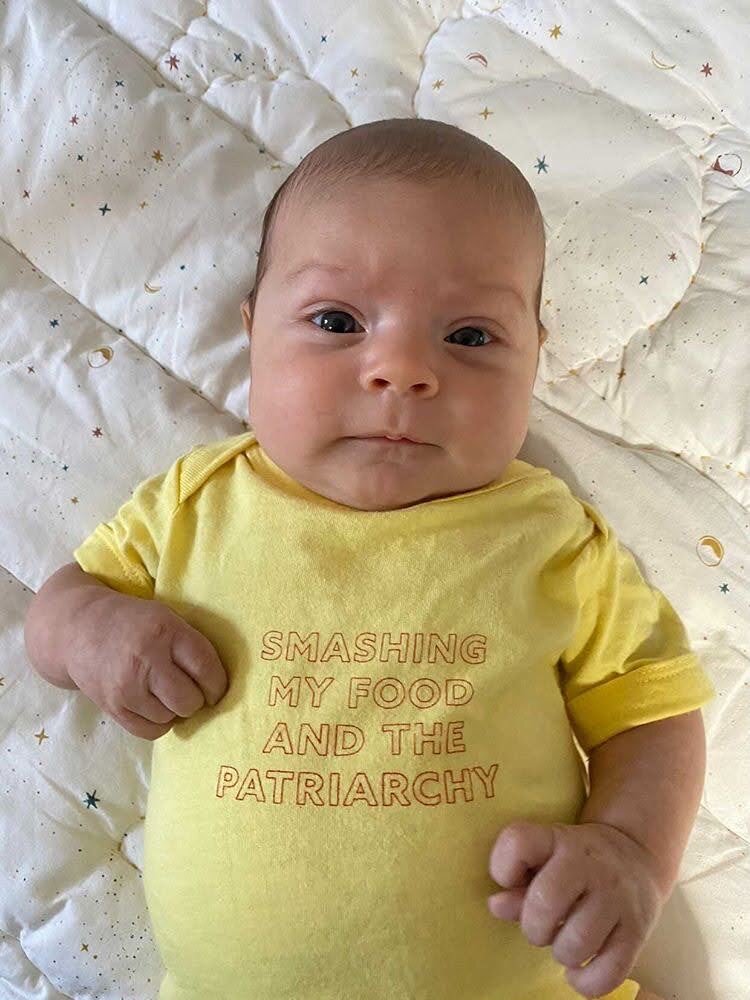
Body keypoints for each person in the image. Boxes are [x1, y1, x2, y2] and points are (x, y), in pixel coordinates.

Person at [25, 118, 715, 1000]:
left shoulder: (547, 535)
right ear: (252, 333)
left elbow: (652, 712)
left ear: (534, 359)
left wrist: (629, 852)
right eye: (336, 320)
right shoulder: (198, 504)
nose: (399, 369)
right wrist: (93, 630)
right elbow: (56, 609)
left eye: (468, 337)